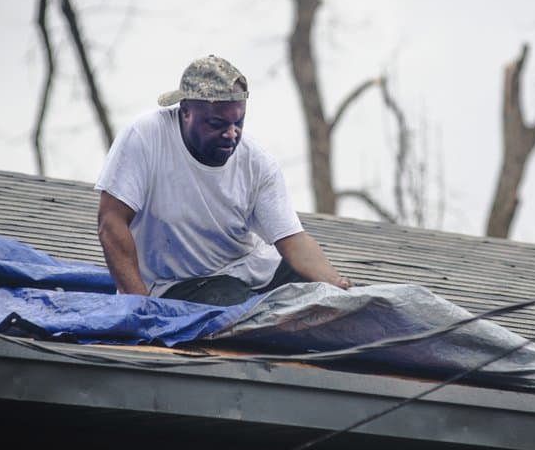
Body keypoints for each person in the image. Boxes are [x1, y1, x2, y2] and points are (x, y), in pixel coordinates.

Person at [95, 55, 351, 306]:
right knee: (238, 308)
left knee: (319, 296)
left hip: (252, 270)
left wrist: (336, 285)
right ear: (185, 112)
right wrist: (140, 305)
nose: (231, 134)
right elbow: (111, 221)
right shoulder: (145, 136)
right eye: (217, 124)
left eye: (238, 122)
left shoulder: (257, 162)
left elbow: (293, 241)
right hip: (181, 284)